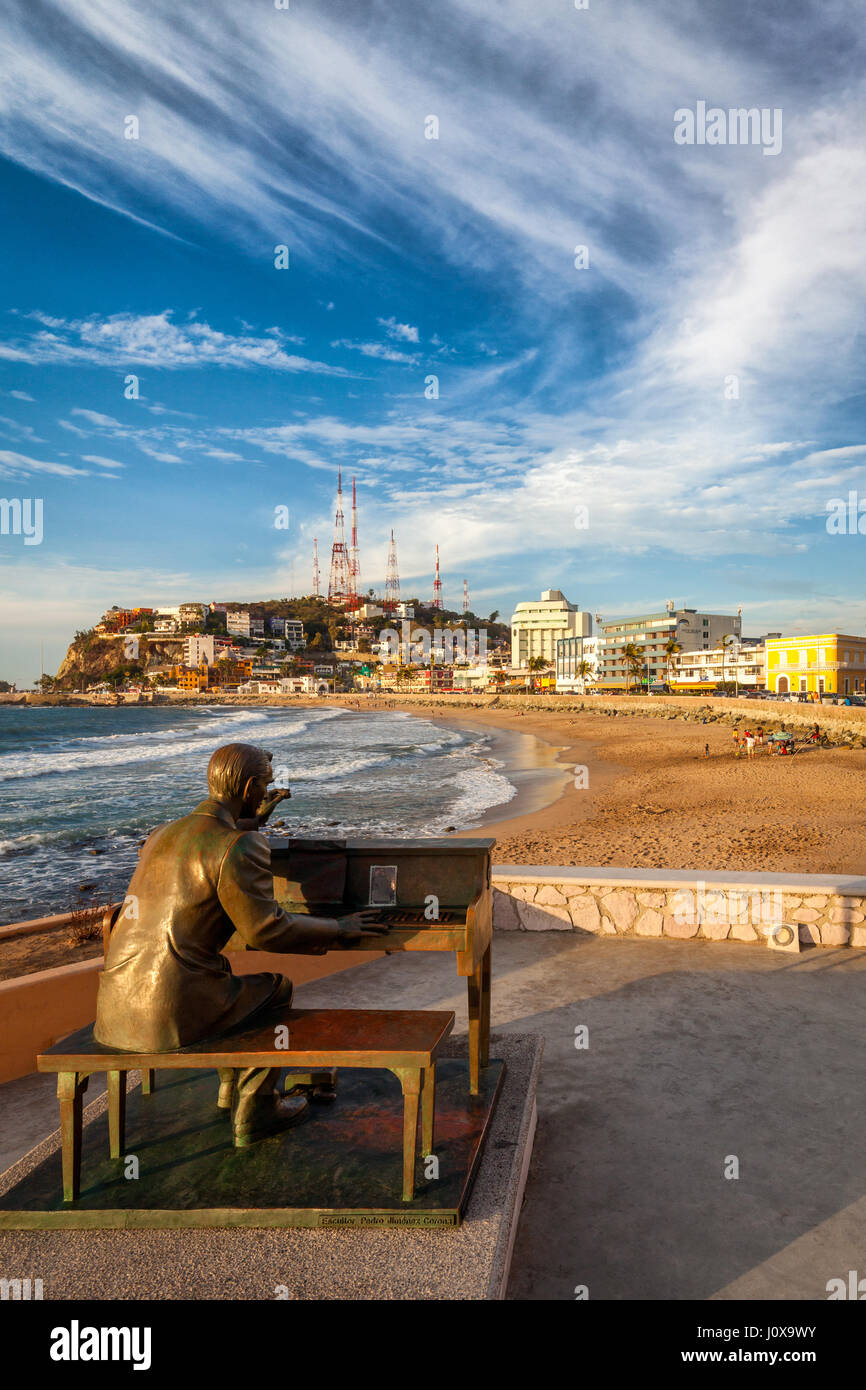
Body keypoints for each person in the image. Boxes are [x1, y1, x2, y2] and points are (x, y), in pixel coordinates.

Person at [95, 743, 387, 1146]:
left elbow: (210, 840)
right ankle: (256, 1109)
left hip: (115, 1004)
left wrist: (252, 821)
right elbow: (266, 931)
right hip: (171, 1011)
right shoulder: (238, 846)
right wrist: (337, 926)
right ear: (250, 787)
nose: (267, 791)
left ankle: (227, 1090)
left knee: (225, 979)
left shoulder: (161, 834)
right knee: (274, 989)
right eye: (264, 787)